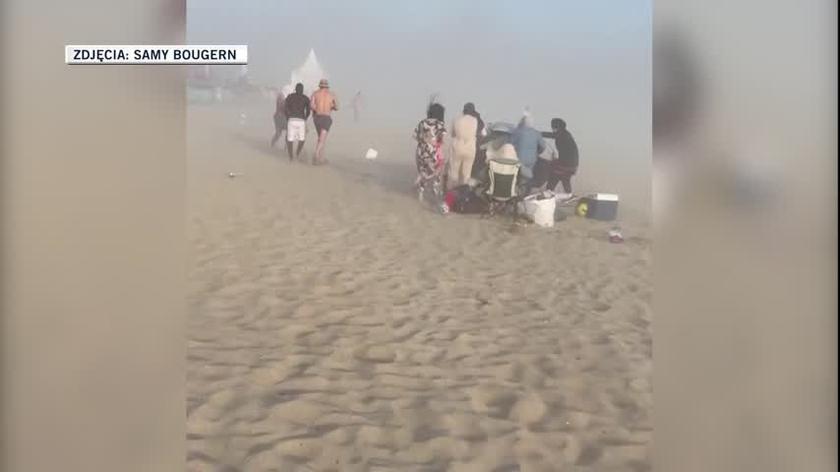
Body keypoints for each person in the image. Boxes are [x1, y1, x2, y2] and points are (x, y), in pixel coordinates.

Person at [532, 118, 579, 193]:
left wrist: (539, 133)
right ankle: (566, 194)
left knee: (555, 174)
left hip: (567, 163)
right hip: (571, 163)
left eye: (554, 127)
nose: (552, 129)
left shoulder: (563, 134)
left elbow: (553, 135)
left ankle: (549, 192)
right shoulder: (565, 134)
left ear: (558, 127)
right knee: (563, 178)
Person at [413, 103, 447, 200]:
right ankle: (435, 188)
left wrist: (424, 141)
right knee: (438, 170)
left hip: (420, 152)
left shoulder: (422, 123)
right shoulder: (439, 124)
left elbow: (415, 136)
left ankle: (421, 193)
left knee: (423, 171)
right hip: (433, 152)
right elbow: (441, 140)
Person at [449, 103, 481, 188]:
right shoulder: (475, 120)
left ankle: (451, 195)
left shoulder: (456, 119)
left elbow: (452, 134)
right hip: (470, 149)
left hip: (457, 147)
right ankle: (463, 194)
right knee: (466, 175)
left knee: (454, 173)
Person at [310, 79, 338, 165]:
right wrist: (331, 106)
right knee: (322, 139)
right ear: (327, 86)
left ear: (320, 86)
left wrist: (317, 109)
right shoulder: (332, 94)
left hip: (317, 118)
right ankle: (316, 154)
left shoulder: (315, 93)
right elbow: (337, 107)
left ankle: (321, 158)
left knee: (321, 138)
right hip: (326, 118)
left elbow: (311, 106)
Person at [510, 114, 545, 183]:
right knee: (527, 176)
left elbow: (510, 144)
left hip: (517, 158)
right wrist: (537, 153)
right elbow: (543, 146)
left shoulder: (515, 132)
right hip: (531, 160)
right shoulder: (536, 133)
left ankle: (514, 189)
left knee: (515, 175)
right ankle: (524, 189)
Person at [283, 83, 310, 161]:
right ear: (302, 90)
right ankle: (297, 153)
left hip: (291, 119)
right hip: (301, 120)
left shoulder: (290, 96)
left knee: (290, 140)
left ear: (295, 89)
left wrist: (288, 117)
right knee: (302, 139)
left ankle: (291, 157)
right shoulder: (305, 98)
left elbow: (285, 108)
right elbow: (308, 111)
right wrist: (305, 118)